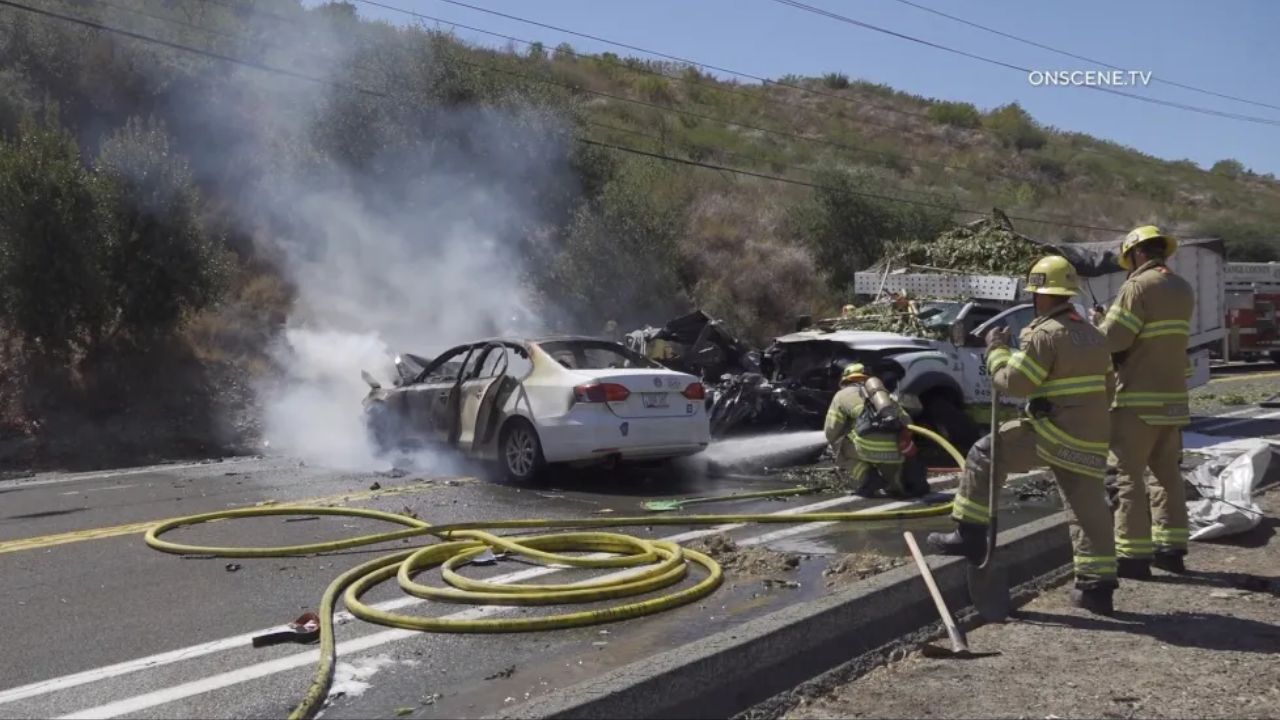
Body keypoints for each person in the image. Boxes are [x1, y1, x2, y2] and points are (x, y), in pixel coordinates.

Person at [928, 255, 1118, 614]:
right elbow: (1105, 388)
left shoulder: (1045, 333)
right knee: (1088, 508)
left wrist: (996, 351)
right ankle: (1097, 588)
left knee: (985, 453)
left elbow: (1017, 382)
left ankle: (969, 535)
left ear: (1042, 296)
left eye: (1035, 294)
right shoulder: (1094, 335)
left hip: (1056, 434)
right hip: (1092, 437)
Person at [1092, 226, 1195, 577]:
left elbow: (1115, 339)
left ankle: (1133, 558)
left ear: (1136, 254)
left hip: (1138, 400)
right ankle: (1171, 551)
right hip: (1173, 400)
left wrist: (1098, 324)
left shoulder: (1137, 287)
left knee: (1127, 476)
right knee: (1167, 476)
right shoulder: (1182, 287)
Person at [823, 363, 929, 499]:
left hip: (866, 450)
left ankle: (868, 477)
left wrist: (843, 434)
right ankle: (896, 483)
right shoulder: (884, 397)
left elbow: (830, 430)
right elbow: (908, 423)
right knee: (897, 488)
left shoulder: (841, 395)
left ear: (845, 380)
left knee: (836, 447)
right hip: (895, 453)